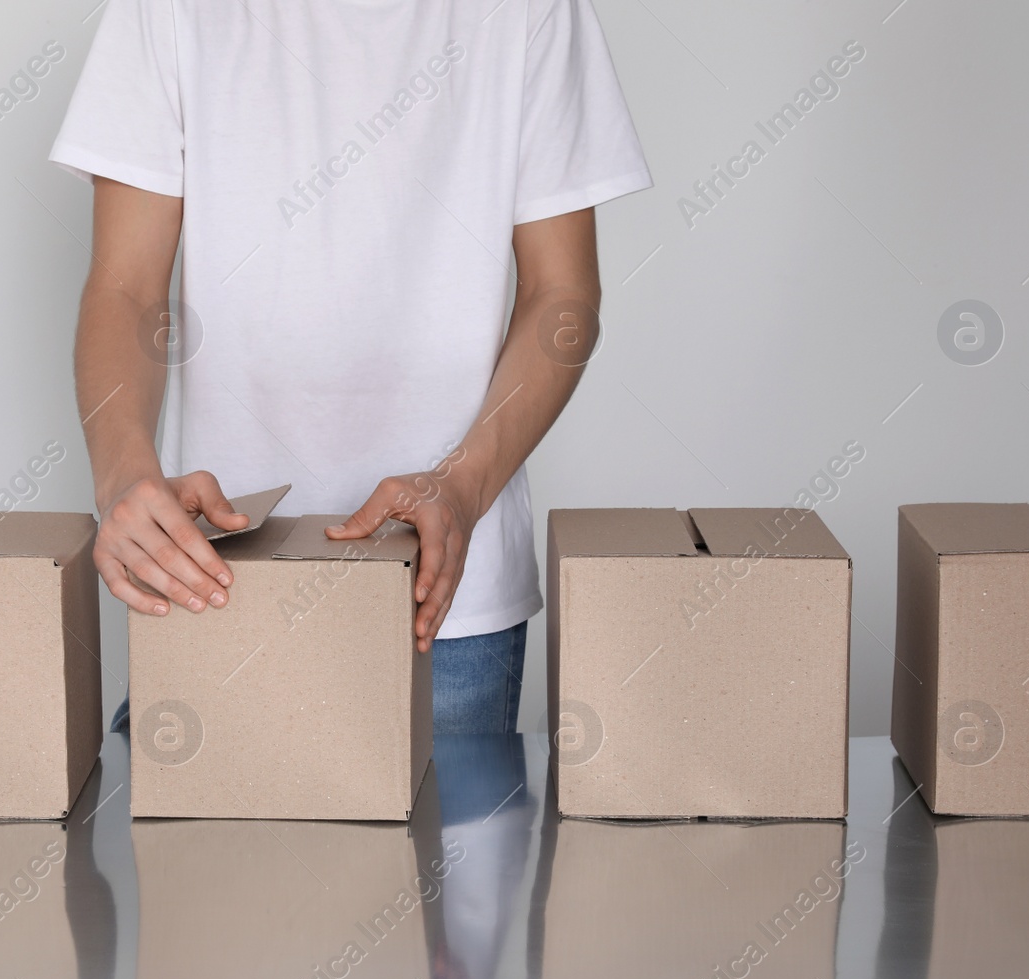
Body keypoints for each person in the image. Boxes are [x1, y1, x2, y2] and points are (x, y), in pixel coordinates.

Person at [51, 0, 649, 735]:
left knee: (436, 852)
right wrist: (123, 478)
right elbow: (125, 289)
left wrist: (463, 488)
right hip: (217, 576)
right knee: (191, 852)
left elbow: (563, 295)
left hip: (443, 590)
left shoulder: (533, 11)